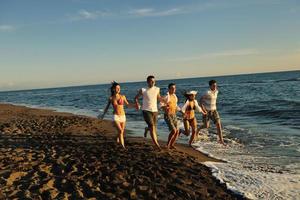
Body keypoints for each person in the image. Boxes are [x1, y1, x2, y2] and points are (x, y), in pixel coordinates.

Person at [134, 75, 165, 150]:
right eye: (151, 81)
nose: (153, 82)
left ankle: (146, 129)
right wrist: (137, 104)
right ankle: (157, 145)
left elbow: (159, 98)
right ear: (148, 82)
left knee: (153, 127)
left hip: (155, 111)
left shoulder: (157, 89)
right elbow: (136, 98)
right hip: (146, 110)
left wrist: (165, 102)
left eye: (154, 81)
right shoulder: (143, 90)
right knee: (152, 126)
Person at [101, 81, 134, 149]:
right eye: (117, 88)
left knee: (121, 131)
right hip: (116, 116)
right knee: (121, 131)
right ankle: (123, 146)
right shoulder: (111, 98)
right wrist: (103, 115)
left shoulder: (123, 96)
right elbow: (107, 108)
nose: (118, 89)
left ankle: (117, 138)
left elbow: (128, 105)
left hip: (123, 116)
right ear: (113, 89)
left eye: (119, 88)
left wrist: (135, 106)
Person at [199, 80, 225, 145]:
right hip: (206, 111)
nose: (215, 87)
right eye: (213, 85)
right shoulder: (207, 92)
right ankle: (197, 130)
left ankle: (221, 140)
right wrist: (203, 109)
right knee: (206, 126)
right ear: (210, 86)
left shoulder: (216, 92)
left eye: (216, 85)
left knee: (218, 124)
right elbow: (200, 101)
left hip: (214, 111)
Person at [161, 83, 181, 149]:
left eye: (174, 88)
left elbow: (176, 106)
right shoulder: (166, 96)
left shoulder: (175, 96)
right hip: (168, 115)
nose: (174, 89)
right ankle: (167, 145)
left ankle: (172, 145)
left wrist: (182, 112)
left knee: (177, 131)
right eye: (172, 88)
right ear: (169, 89)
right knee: (173, 131)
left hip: (174, 115)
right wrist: (165, 108)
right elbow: (160, 105)